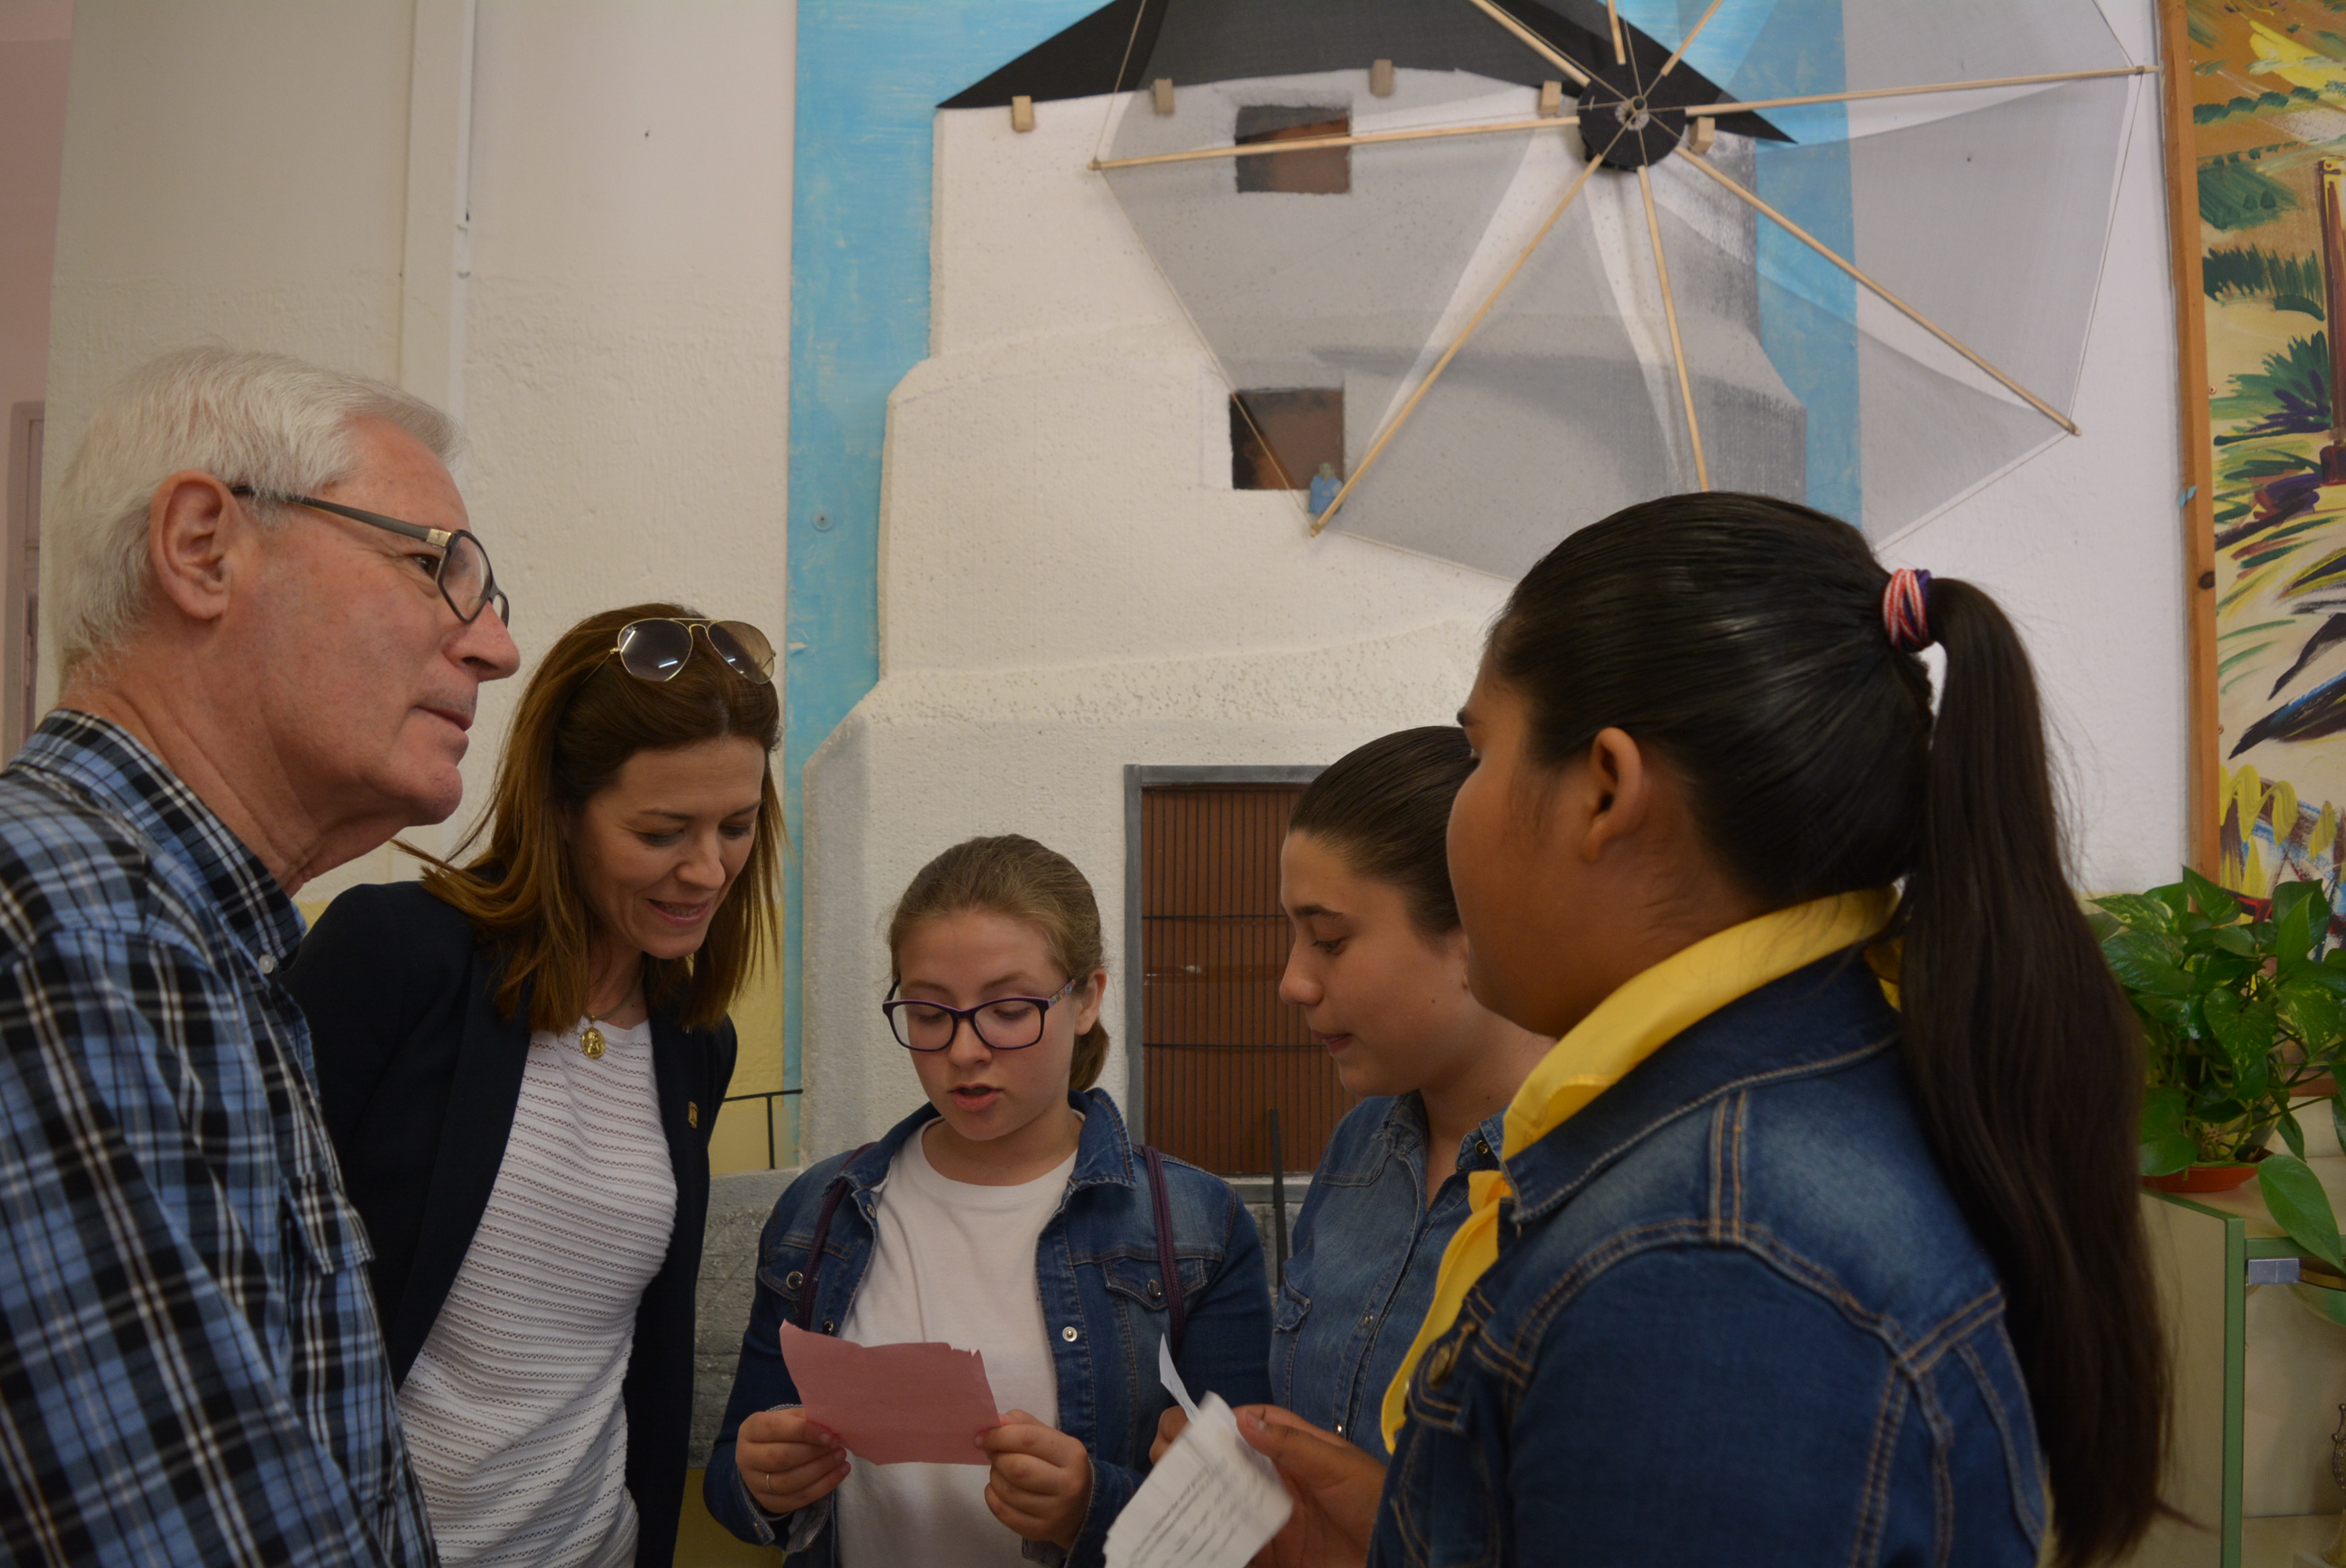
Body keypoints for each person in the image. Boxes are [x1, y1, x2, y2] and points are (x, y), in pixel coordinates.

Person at [1232, 494, 2166, 1566]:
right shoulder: (1781, 1109)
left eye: (1480, 751)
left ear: (1606, 791)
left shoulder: (1706, 1266)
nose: (1465, 807)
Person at [0, 345, 520, 1566]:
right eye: (440, 568)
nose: (493, 646)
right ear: (202, 548)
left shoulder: (191, 940)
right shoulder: (64, 921)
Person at [285, 604, 780, 1568]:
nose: (707, 868)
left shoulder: (695, 1046)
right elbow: (251, 1284)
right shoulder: (393, 957)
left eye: (738, 824)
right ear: (560, 807)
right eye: (662, 829)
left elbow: (638, 1346)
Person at [704, 834, 1273, 1568]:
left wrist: (1088, 1511)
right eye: (930, 1013)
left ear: (1087, 1000)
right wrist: (759, 1480)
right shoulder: (823, 1209)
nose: (964, 1050)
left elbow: (1242, 1529)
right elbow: (733, 1475)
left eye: (1008, 1009)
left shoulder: (1196, 1226)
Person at [1264, 727, 1551, 1457]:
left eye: (1328, 940)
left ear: (1476, 932)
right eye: (1292, 937)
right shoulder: (1360, 1146)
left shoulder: (1595, 1175)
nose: (1292, 982)